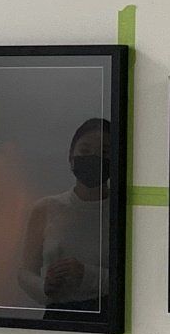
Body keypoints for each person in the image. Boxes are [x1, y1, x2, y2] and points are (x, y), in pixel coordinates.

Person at [19, 117, 111, 312]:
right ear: (71, 158)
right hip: (57, 316)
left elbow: (138, 281)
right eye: (85, 151)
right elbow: (25, 272)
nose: (93, 158)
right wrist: (44, 287)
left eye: (104, 153)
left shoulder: (122, 212)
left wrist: (85, 275)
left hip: (110, 317)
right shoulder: (45, 208)